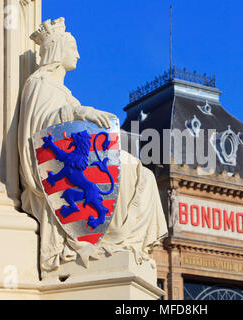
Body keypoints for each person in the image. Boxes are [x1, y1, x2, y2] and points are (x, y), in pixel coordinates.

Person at [18, 18, 167, 277]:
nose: (77, 54)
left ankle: (126, 239)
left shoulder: (62, 90)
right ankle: (115, 238)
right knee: (132, 171)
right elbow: (41, 128)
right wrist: (81, 112)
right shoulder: (39, 83)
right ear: (57, 50)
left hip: (75, 164)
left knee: (144, 175)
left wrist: (79, 114)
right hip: (55, 168)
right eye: (72, 47)